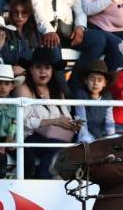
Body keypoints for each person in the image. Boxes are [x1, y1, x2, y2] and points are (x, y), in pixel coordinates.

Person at [16, 46, 79, 178]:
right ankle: (41, 180)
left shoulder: (57, 90)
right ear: (31, 70)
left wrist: (72, 124)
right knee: (60, 149)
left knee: (62, 149)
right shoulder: (23, 89)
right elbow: (25, 122)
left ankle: (39, 180)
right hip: (28, 138)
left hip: (54, 139)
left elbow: (65, 116)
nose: (43, 72)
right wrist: (55, 121)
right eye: (39, 67)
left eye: (47, 68)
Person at [71, 58, 114, 143]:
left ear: (105, 83)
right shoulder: (80, 95)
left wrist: (111, 138)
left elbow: (109, 121)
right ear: (85, 81)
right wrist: (89, 140)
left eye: (100, 80)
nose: (95, 83)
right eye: (92, 79)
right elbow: (82, 121)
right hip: (83, 137)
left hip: (100, 136)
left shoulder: (107, 97)